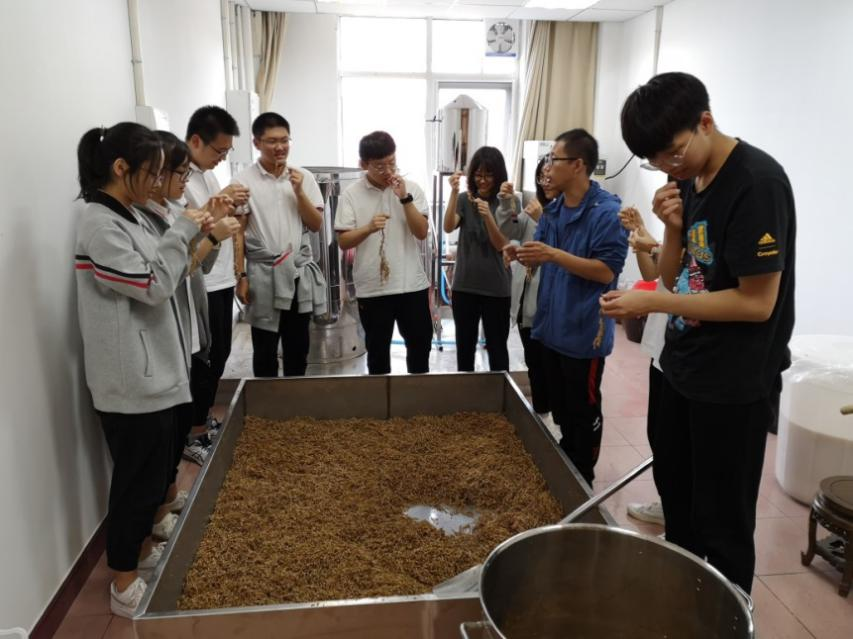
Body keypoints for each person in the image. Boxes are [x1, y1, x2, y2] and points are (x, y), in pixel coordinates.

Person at [602, 71, 796, 593]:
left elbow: (757, 303)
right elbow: (674, 275)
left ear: (705, 121)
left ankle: (728, 615)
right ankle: (682, 604)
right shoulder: (687, 178)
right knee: (679, 499)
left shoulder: (756, 183)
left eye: (674, 152)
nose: (670, 166)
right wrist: (672, 228)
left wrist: (653, 301)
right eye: (657, 161)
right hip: (682, 366)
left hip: (733, 382)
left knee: (723, 522)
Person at [74, 122, 212, 617]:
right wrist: (184, 230)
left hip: (154, 371)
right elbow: (152, 287)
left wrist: (187, 232)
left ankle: (143, 554)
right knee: (135, 486)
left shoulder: (128, 215)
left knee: (153, 480)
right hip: (130, 379)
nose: (158, 183)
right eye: (152, 173)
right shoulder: (99, 225)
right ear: (120, 168)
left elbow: (168, 275)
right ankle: (122, 583)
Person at [135, 131, 240, 542]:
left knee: (175, 429)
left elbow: (196, 265)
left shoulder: (173, 211)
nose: (184, 181)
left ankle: (168, 497)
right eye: (179, 173)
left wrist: (210, 231)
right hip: (163, 341)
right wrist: (209, 236)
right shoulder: (142, 220)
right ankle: (156, 515)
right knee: (161, 441)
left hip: (187, 328)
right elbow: (170, 275)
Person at [510, 129, 628, 485]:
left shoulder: (607, 213)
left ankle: (583, 481)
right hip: (550, 327)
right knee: (561, 409)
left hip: (583, 334)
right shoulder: (555, 210)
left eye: (553, 159)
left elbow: (606, 271)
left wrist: (553, 255)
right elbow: (541, 253)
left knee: (582, 411)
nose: (547, 167)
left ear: (577, 165)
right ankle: (567, 469)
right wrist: (518, 251)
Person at [233, 112, 327, 377]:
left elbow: (316, 224)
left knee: (298, 347)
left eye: (285, 140)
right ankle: (266, 402)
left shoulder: (303, 177)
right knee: (264, 350)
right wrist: (241, 276)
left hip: (296, 274)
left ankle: (295, 400)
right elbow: (238, 233)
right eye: (272, 141)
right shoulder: (242, 181)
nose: (280, 147)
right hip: (262, 275)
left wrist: (298, 192)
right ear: (256, 143)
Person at [182, 106, 249, 464]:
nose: (222, 158)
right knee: (204, 361)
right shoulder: (181, 180)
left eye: (226, 151)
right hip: (199, 280)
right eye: (218, 150)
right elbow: (188, 228)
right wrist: (220, 202)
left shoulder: (206, 174)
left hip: (219, 277)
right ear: (195, 140)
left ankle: (203, 417)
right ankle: (193, 433)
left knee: (220, 353)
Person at [335, 131, 432, 375]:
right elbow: (343, 241)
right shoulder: (351, 194)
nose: (388, 171)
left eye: (392, 162)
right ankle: (381, 400)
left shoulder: (411, 189)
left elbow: (421, 232)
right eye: (380, 166)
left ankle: (418, 399)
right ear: (363, 164)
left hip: (412, 286)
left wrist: (405, 198)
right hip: (373, 288)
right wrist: (368, 228)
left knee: (420, 349)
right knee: (377, 356)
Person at [443, 147, 520, 372]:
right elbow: (448, 226)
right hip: (465, 286)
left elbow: (502, 245)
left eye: (488, 175)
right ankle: (465, 394)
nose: (482, 180)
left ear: (499, 175)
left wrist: (487, 216)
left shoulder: (511, 202)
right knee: (464, 349)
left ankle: (500, 392)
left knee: (497, 349)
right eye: (478, 175)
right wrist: (454, 192)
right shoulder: (465, 199)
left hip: (497, 289)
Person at [619, 205, 666, 527]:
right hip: (663, 348)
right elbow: (654, 275)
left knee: (673, 439)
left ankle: (678, 511)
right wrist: (640, 238)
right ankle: (669, 503)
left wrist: (652, 245)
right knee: (659, 432)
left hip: (684, 351)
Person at [505, 158, 556, 414]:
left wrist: (543, 219)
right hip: (527, 302)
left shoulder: (568, 214)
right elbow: (513, 233)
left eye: (550, 176)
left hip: (553, 306)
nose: (545, 182)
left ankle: (555, 418)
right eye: (541, 177)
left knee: (552, 366)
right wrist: (508, 205)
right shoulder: (532, 207)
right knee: (534, 362)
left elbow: (566, 253)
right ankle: (541, 414)